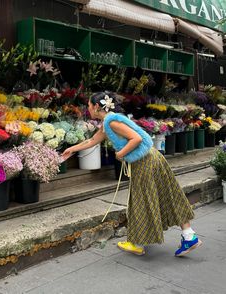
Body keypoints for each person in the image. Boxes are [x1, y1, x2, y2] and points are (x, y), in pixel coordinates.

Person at [62, 91, 202, 257]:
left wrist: (121, 154)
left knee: (140, 199)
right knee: (168, 193)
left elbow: (136, 138)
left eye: (89, 106)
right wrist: (71, 149)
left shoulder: (111, 122)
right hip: (151, 157)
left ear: (97, 107)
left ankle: (137, 243)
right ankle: (189, 235)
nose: (88, 109)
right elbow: (92, 141)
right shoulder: (110, 121)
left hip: (144, 161)